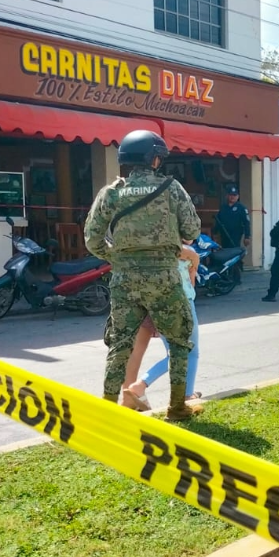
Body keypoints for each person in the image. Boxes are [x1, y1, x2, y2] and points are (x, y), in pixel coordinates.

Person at [84, 129, 202, 421]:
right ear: (154, 159)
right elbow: (192, 231)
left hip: (125, 280)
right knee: (179, 342)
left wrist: (118, 257)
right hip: (164, 278)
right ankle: (177, 407)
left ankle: (108, 408)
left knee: (120, 344)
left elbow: (92, 239)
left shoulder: (111, 192)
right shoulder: (172, 189)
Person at [120, 244, 202, 411]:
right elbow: (192, 281)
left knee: (141, 350)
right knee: (188, 352)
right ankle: (145, 387)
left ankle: (131, 397)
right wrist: (194, 259)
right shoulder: (186, 252)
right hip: (180, 304)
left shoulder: (143, 243)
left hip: (149, 301)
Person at [213, 185, 251, 251]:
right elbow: (218, 221)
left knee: (234, 251)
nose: (232, 197)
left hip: (235, 235)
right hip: (224, 234)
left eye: (234, 195)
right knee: (224, 251)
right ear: (227, 196)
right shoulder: (223, 207)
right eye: (231, 195)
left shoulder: (241, 208)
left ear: (238, 196)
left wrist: (247, 236)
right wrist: (215, 233)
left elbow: (246, 222)